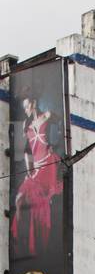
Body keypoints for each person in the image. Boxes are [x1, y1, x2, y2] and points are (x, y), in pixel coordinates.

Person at [11, 95, 63, 258]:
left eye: (27, 106)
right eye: (24, 108)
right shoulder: (26, 126)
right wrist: (29, 172)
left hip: (48, 165)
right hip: (36, 169)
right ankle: (17, 241)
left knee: (41, 203)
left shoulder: (46, 116)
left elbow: (62, 125)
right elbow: (27, 152)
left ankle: (39, 243)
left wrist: (55, 145)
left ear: (33, 104)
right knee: (19, 199)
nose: (26, 110)